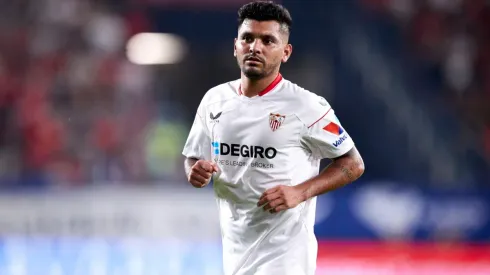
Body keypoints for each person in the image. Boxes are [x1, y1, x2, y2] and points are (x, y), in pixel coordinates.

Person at [182, 1, 365, 274]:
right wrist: (194, 171)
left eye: (268, 40)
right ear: (236, 46)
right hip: (236, 257)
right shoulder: (214, 100)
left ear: (286, 52)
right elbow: (192, 157)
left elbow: (353, 164)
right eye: (248, 38)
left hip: (285, 260)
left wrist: (299, 192)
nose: (255, 47)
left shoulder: (308, 106)